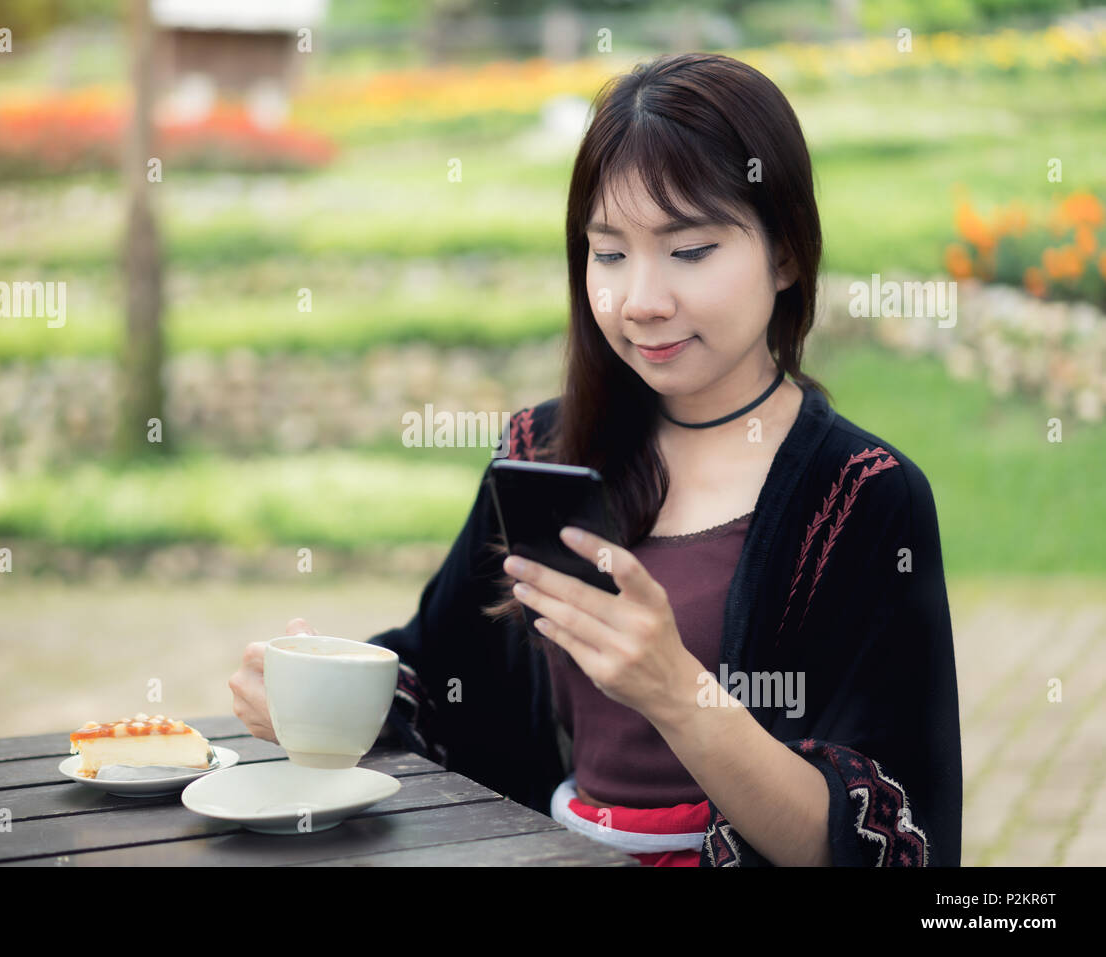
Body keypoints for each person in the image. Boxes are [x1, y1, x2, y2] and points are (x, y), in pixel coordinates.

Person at [229, 52, 962, 867]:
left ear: (785, 254)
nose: (640, 300)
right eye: (608, 252)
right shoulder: (542, 452)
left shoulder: (861, 496)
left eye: (689, 251)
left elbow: (882, 846)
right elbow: (444, 678)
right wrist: (317, 690)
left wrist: (674, 689)